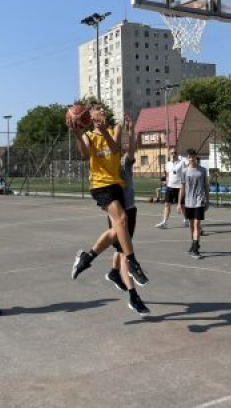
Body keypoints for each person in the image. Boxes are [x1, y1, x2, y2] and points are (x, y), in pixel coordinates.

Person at [71, 114, 150, 317]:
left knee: (115, 237)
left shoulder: (123, 162)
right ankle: (133, 292)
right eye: (98, 111)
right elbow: (87, 153)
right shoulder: (113, 160)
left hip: (128, 206)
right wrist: (78, 134)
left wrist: (130, 133)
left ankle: (94, 261)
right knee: (123, 249)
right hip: (111, 199)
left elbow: (125, 148)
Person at [178, 148, 209, 259]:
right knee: (191, 225)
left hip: (199, 201)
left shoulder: (203, 170)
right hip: (188, 202)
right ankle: (194, 243)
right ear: (187, 158)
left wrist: (207, 201)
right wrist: (178, 203)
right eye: (189, 157)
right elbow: (182, 188)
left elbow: (206, 187)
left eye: (193, 156)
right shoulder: (184, 171)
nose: (191, 159)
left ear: (196, 157)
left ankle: (195, 248)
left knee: (197, 224)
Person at [155, 151, 187, 228]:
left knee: (182, 205)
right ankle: (164, 222)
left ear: (177, 154)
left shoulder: (182, 163)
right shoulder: (168, 164)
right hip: (169, 187)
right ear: (170, 154)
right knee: (167, 204)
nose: (173, 154)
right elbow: (168, 175)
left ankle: (187, 220)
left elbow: (185, 174)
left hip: (179, 187)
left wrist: (184, 186)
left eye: (175, 153)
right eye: (172, 153)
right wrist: (167, 183)